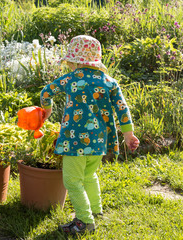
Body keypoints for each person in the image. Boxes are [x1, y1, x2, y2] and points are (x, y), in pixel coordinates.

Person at [40, 35, 140, 235]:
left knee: (72, 181)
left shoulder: (71, 78)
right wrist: (128, 135)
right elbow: (122, 109)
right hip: (100, 141)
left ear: (74, 60)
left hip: (74, 141)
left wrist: (47, 111)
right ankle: (95, 210)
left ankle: (84, 222)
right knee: (89, 175)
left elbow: (46, 93)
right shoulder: (109, 81)